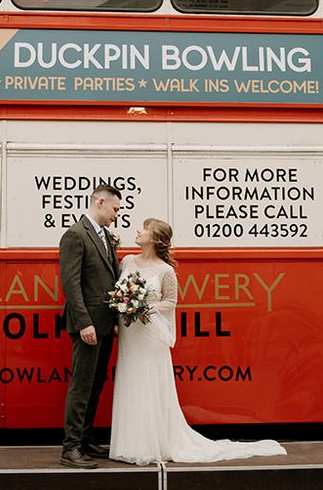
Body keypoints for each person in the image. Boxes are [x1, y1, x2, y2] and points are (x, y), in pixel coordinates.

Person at [109, 218, 286, 465]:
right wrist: (124, 309)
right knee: (130, 379)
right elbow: (119, 292)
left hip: (151, 334)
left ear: (155, 238)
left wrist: (143, 306)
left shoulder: (165, 270)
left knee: (148, 382)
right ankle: (130, 444)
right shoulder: (127, 261)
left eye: (144, 229)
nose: (138, 231)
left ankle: (152, 444)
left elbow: (171, 302)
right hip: (131, 333)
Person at [59, 183, 122, 469]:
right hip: (88, 326)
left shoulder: (106, 237)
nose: (117, 214)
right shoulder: (75, 235)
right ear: (99, 203)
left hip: (105, 324)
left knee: (95, 384)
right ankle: (70, 448)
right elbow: (71, 284)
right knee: (82, 385)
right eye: (115, 208)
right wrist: (84, 323)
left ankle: (85, 440)